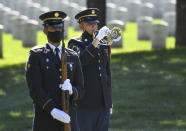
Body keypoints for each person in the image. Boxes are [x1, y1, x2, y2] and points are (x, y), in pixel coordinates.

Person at [25, 11, 84, 131]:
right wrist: (52, 110)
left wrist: (72, 90)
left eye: (59, 27)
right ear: (45, 30)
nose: (57, 30)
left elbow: (81, 88)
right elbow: (35, 89)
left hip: (69, 118)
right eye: (53, 27)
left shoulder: (72, 56)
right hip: (46, 119)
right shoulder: (37, 55)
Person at [68, 8, 112, 131]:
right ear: (81, 26)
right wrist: (96, 40)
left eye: (95, 23)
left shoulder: (103, 43)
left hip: (103, 103)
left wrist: (109, 100)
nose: (93, 26)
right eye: (89, 24)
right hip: (85, 103)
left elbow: (107, 72)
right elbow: (81, 61)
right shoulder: (75, 44)